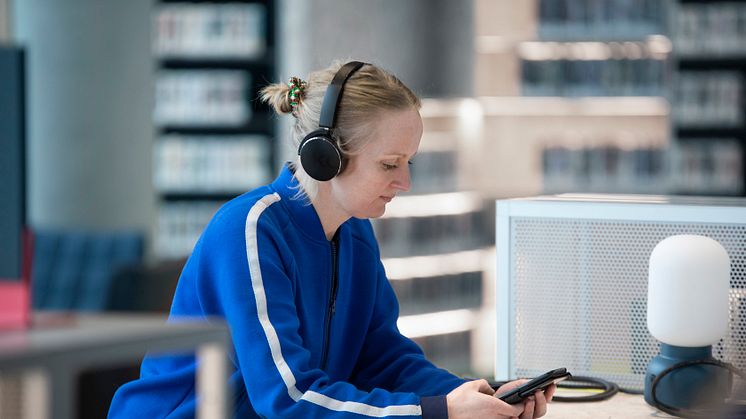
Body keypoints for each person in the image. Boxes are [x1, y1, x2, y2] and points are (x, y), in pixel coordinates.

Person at [108, 60, 555, 418]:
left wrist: (472, 395)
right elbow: (287, 398)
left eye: (409, 164)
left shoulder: (354, 233)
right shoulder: (250, 231)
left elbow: (381, 359)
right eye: (389, 164)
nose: (404, 182)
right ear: (324, 157)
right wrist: (438, 412)